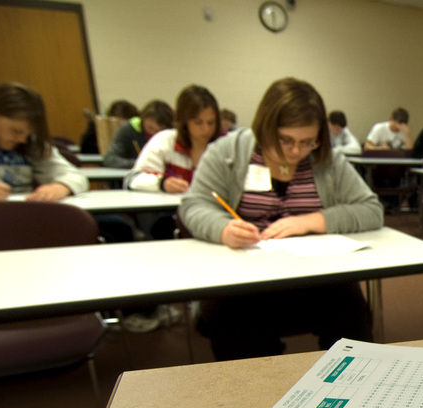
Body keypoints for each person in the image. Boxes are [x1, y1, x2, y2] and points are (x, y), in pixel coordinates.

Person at [179, 77, 382, 361]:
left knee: (352, 315)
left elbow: (371, 209)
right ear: (265, 127)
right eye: (285, 140)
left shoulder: (327, 160)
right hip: (245, 279)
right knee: (236, 329)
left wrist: (311, 221)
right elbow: (194, 204)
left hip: (316, 275)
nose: (296, 151)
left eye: (307, 142)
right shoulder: (229, 152)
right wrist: (223, 228)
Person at [126, 84, 221, 204]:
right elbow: (132, 179)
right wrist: (162, 183)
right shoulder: (164, 141)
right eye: (198, 122)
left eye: (211, 123)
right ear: (184, 121)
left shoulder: (225, 147)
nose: (206, 129)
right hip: (168, 212)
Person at [0, 82, 89, 202]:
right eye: (16, 131)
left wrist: (61, 187)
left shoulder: (31, 143)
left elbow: (76, 176)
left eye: (28, 134)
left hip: (23, 213)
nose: (22, 140)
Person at [102, 99, 174, 169]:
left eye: (159, 131)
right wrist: (140, 163)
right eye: (150, 128)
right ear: (143, 118)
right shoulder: (129, 129)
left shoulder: (171, 133)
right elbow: (110, 159)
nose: (153, 133)